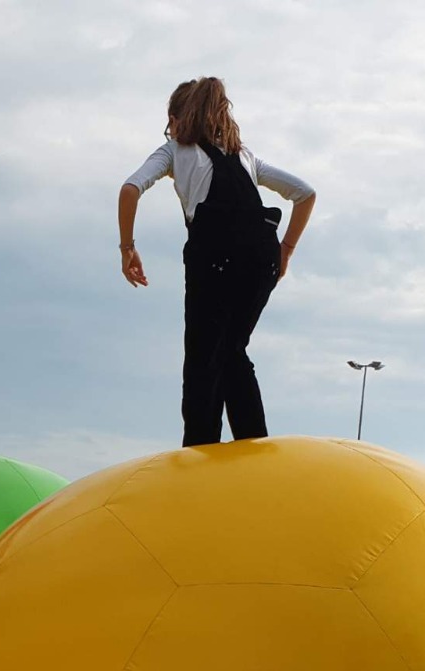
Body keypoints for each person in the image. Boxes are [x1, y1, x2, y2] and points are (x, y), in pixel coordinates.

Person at [119, 77, 317, 448]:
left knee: (201, 359)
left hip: (213, 255)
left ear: (178, 118)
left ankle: (200, 448)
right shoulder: (246, 157)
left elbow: (130, 188)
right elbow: (305, 194)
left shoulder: (174, 150)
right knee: (232, 351)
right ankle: (253, 446)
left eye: (169, 122)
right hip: (261, 256)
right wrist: (285, 250)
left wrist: (127, 248)